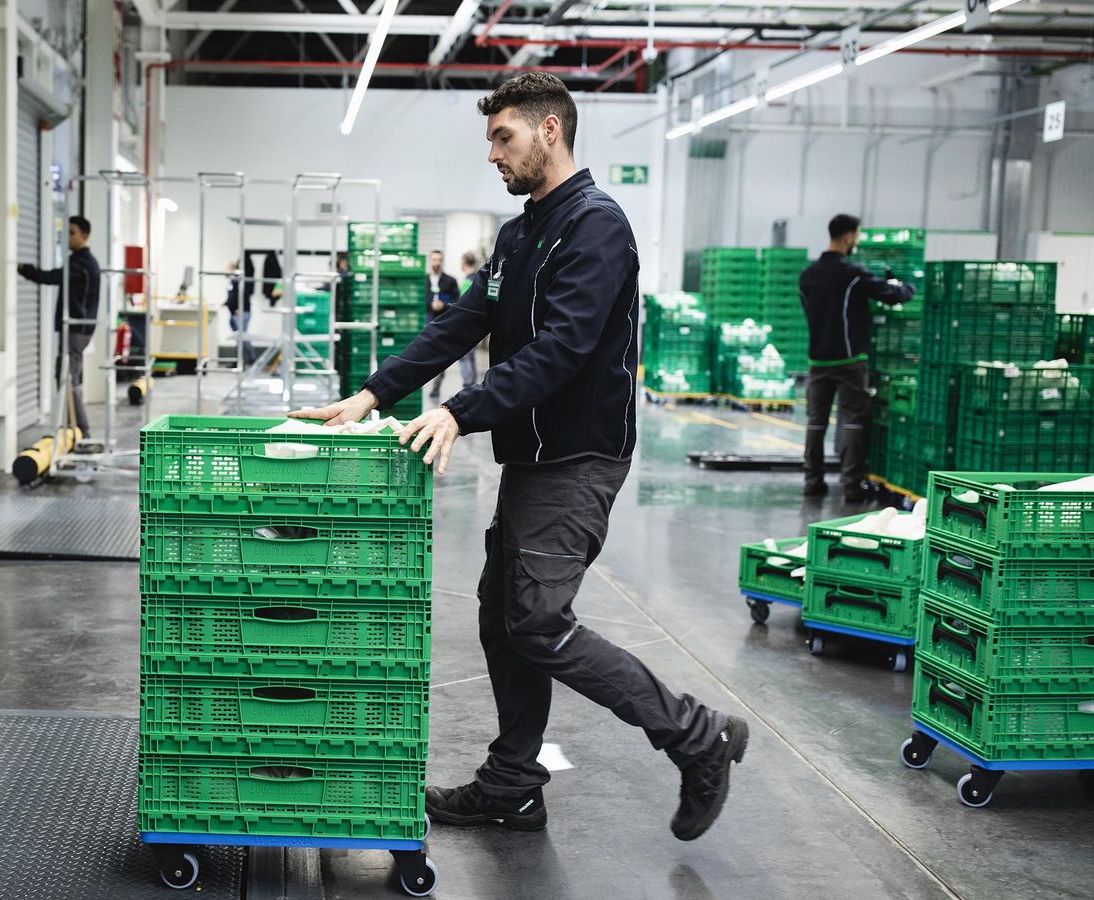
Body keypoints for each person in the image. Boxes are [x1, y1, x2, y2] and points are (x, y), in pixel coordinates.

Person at [291, 72, 747, 843]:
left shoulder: (597, 226)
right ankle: (513, 785)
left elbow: (563, 348)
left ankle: (696, 736)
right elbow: (460, 324)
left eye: (504, 137)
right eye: (490, 140)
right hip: (532, 457)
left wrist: (458, 411)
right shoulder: (520, 233)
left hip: (580, 455)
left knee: (536, 622)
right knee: (504, 621)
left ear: (549, 131)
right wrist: (372, 395)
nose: (494, 155)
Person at [798, 214, 914, 502]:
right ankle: (851, 486)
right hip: (849, 360)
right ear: (849, 236)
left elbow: (810, 312)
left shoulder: (807, 276)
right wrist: (905, 287)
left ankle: (812, 481)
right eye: (857, 235)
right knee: (852, 419)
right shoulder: (852, 273)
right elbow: (891, 295)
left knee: (816, 421)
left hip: (817, 359)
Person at [19, 215, 101, 436]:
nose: (68, 237)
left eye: (72, 233)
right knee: (67, 377)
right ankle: (72, 426)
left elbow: (52, 277)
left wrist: (24, 269)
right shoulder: (83, 261)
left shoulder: (81, 263)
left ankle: (81, 430)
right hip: (78, 329)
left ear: (85, 235)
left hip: (76, 329)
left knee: (67, 378)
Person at [425, 250, 474, 400]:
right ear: (430, 261)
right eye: (434, 260)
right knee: (429, 356)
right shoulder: (424, 281)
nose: (437, 262)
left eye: (439, 260)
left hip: (445, 323)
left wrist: (443, 305)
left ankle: (439, 386)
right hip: (428, 321)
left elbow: (456, 300)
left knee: (444, 355)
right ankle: (434, 386)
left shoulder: (450, 281)